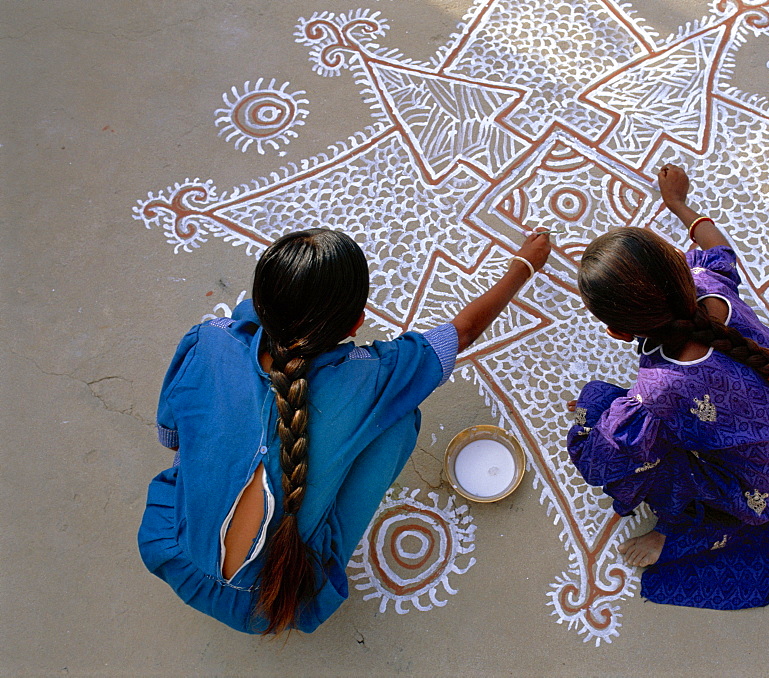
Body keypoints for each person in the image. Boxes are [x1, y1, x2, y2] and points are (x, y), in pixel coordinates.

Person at [138, 228, 550, 634]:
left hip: (173, 551)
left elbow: (171, 438)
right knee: (398, 418)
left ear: (261, 302)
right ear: (357, 324)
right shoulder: (372, 378)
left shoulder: (206, 340)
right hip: (277, 602)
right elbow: (461, 333)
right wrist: (524, 266)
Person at [567, 164, 769, 610]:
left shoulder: (658, 390)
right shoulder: (710, 283)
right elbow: (717, 246)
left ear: (618, 332)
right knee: (623, 416)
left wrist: (595, 416)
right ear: (679, 268)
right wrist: (678, 204)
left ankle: (674, 530)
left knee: (604, 411)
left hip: (766, 493)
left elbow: (602, 466)